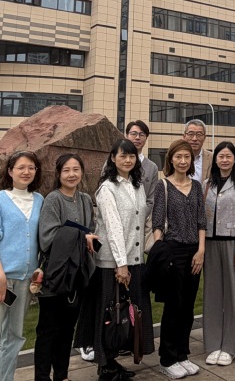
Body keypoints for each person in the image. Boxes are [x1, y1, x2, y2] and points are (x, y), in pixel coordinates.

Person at [75, 139, 155, 381]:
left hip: (134, 259)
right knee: (108, 313)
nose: (128, 160)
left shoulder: (137, 185)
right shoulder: (107, 188)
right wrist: (121, 264)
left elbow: (140, 221)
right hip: (112, 263)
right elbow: (113, 227)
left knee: (127, 312)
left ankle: (113, 361)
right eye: (123, 156)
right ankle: (105, 365)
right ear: (113, 158)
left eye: (131, 156)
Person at [0, 150, 44, 381]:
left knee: (14, 337)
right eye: (21, 167)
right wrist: (0, 278)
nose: (26, 172)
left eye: (31, 168)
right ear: (10, 171)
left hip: (24, 282)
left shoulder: (39, 200)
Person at [35, 154, 97, 381]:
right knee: (48, 330)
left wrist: (89, 239)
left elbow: (91, 231)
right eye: (66, 170)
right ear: (58, 174)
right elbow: (47, 238)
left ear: (82, 172)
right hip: (56, 274)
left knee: (67, 329)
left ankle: (61, 375)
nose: (72, 174)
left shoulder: (84, 199)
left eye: (76, 169)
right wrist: (82, 237)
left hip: (77, 274)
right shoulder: (53, 199)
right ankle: (42, 377)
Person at [152, 139, 206, 379]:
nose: (183, 161)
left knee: (188, 307)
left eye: (187, 157)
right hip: (172, 251)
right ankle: (167, 358)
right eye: (178, 157)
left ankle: (182, 354)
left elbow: (201, 221)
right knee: (173, 306)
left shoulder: (196, 186)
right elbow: (157, 223)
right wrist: (162, 252)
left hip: (194, 251)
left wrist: (201, 251)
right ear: (171, 159)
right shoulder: (163, 185)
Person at [202, 141, 235, 367]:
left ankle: (230, 346)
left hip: (232, 244)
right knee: (212, 295)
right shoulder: (206, 184)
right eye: (221, 156)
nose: (224, 160)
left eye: (228, 156)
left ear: (234, 159)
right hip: (210, 244)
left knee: (233, 296)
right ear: (215, 159)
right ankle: (213, 344)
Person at [101, 120, 159, 209]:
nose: (137, 137)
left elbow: (151, 200)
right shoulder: (113, 162)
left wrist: (140, 215)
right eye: (133, 134)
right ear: (126, 135)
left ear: (146, 138)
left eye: (142, 134)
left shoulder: (152, 167)